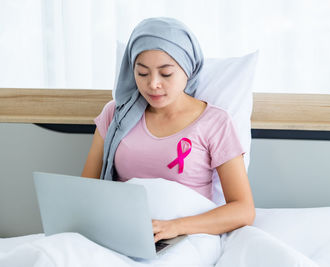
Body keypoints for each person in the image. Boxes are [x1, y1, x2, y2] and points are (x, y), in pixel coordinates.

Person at [81, 17, 255, 243]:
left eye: (166, 74)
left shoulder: (215, 122)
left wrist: (176, 227)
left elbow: (243, 209)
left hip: (187, 238)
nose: (153, 84)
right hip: (122, 234)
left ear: (188, 70)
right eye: (142, 73)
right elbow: (85, 192)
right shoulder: (115, 115)